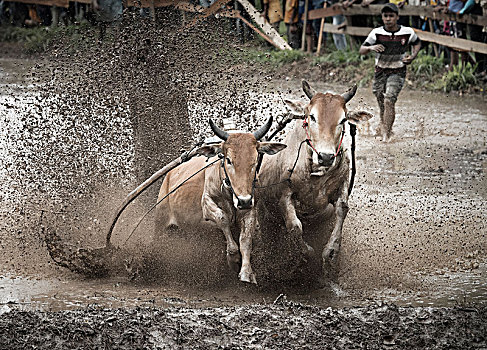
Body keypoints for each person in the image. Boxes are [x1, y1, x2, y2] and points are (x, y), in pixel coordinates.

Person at [359, 3, 421, 142]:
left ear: (397, 17)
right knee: (381, 100)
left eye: (391, 16)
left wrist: (413, 56)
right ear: (382, 17)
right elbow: (362, 49)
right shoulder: (376, 33)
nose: (388, 19)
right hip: (380, 71)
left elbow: (417, 43)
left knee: (389, 100)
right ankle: (385, 126)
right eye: (385, 16)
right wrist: (372, 47)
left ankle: (386, 135)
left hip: (398, 71)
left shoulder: (407, 32)